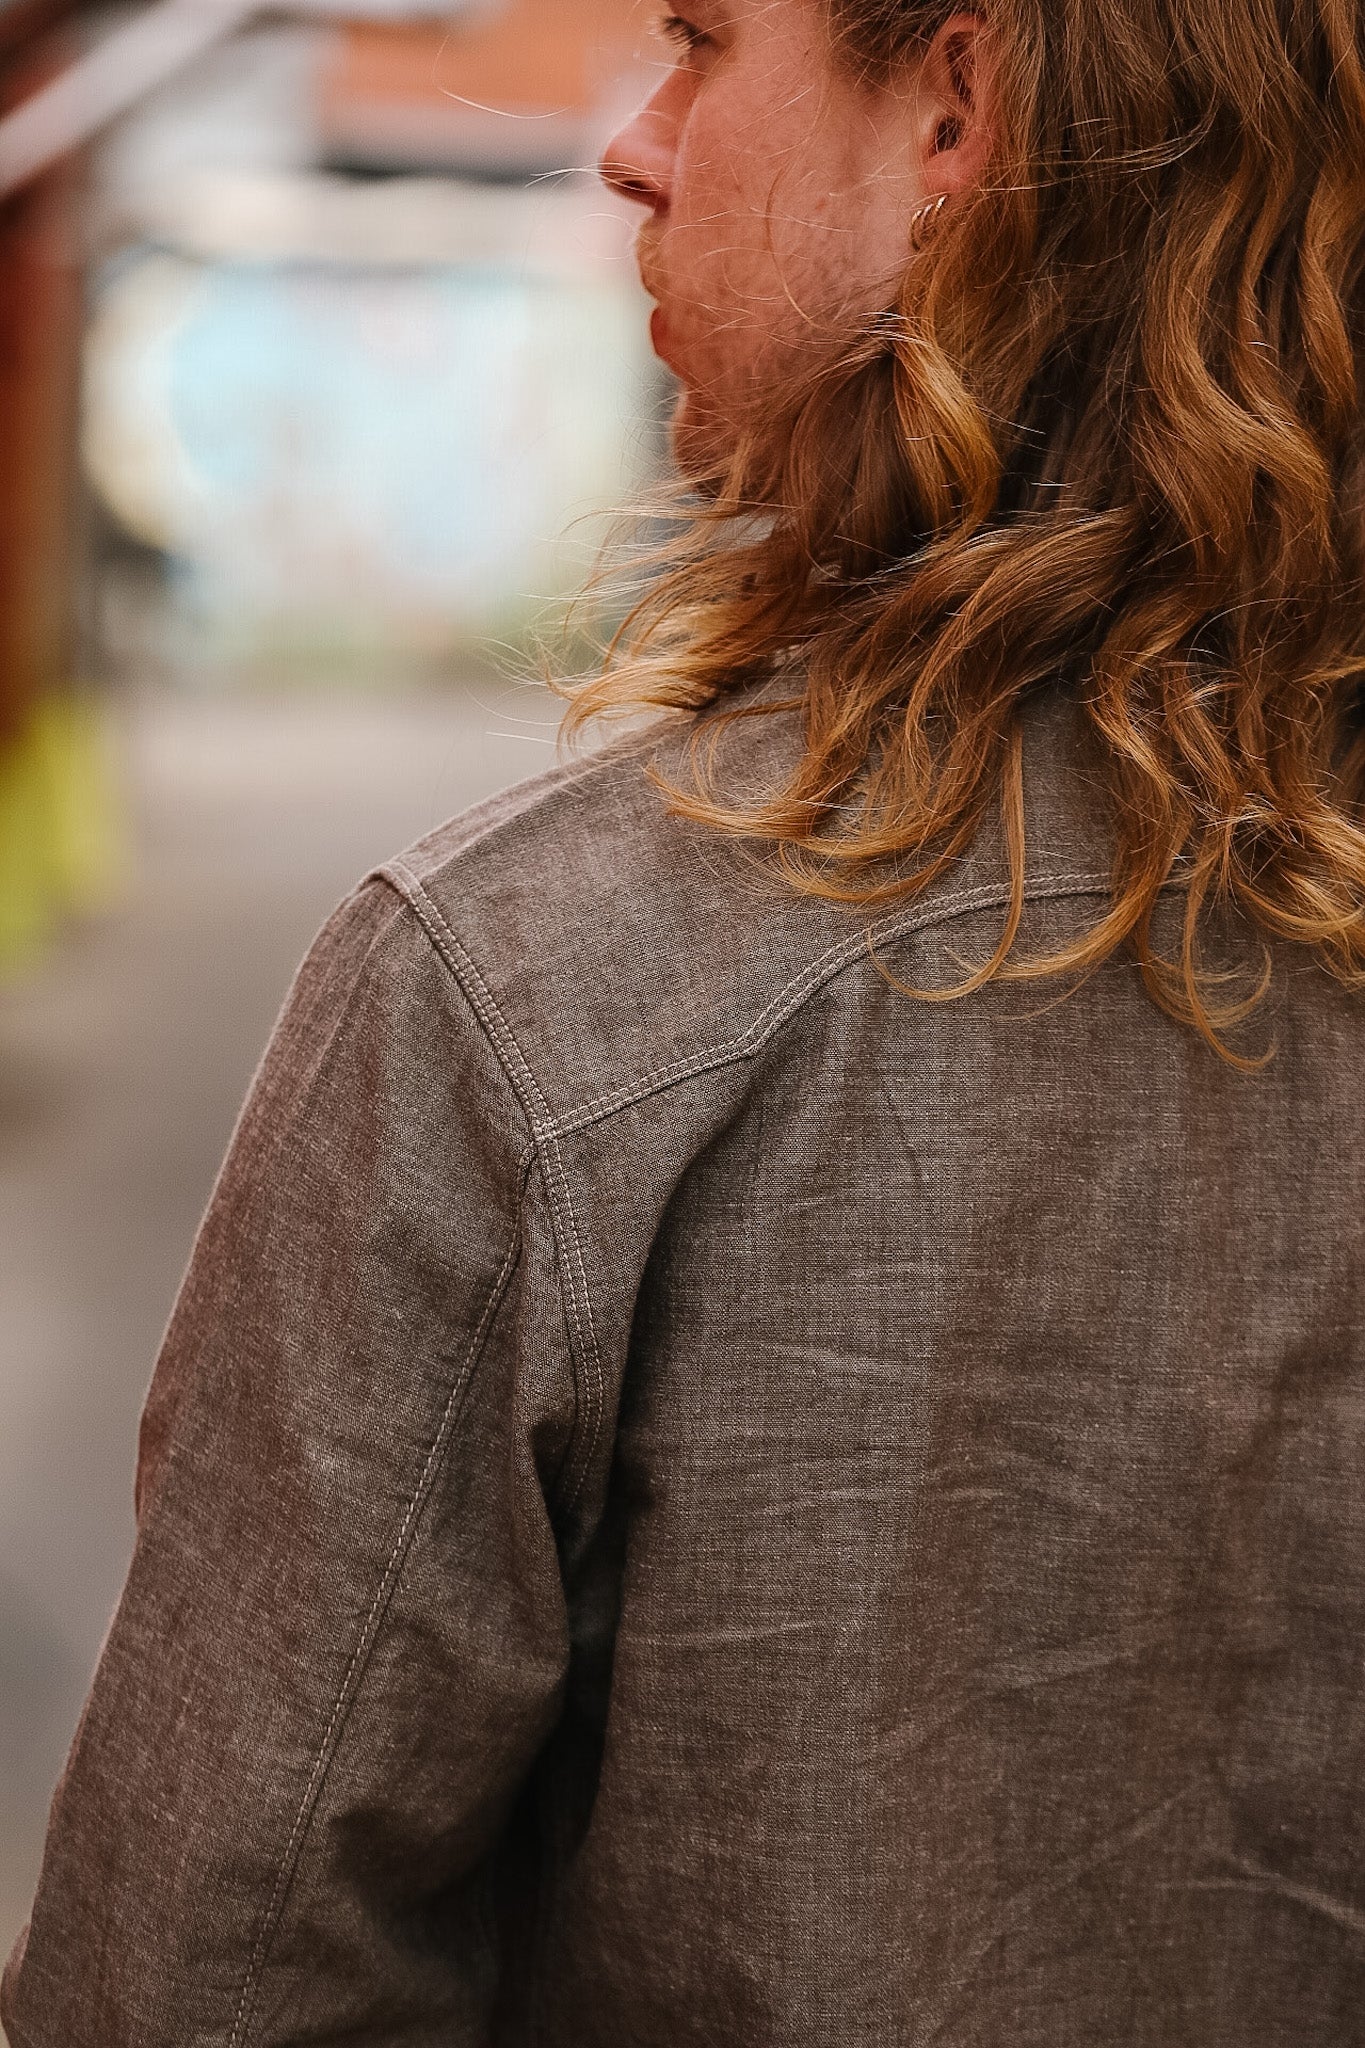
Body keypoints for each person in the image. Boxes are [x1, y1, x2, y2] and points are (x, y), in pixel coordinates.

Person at [6, 0, 1365, 2039]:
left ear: (953, 107)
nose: (633, 145)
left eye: (707, 45)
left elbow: (210, 1971)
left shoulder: (528, 986)